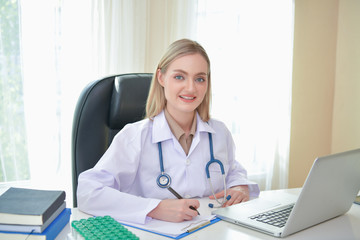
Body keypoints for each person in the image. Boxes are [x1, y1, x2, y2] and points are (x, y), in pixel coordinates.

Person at [77, 39, 260, 225]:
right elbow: (87, 192)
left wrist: (240, 187)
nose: (191, 88)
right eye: (179, 77)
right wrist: (154, 208)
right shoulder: (135, 136)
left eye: (199, 78)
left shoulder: (219, 133)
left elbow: (232, 171)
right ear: (161, 78)